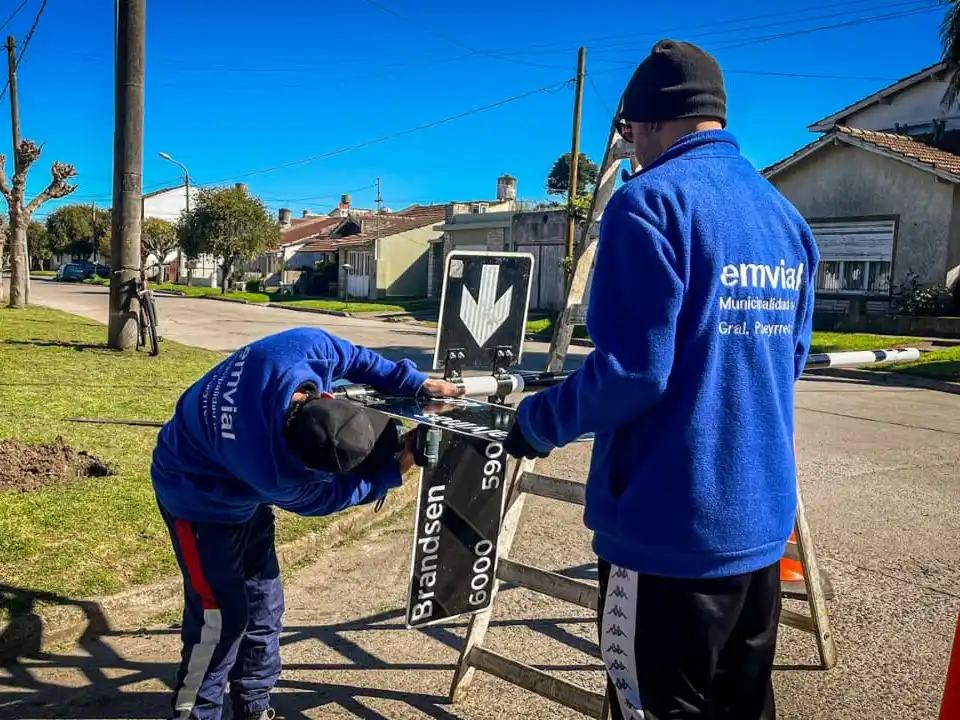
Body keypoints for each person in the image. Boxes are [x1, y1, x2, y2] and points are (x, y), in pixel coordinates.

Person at [503, 39, 819, 720]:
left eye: (629, 134)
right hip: (760, 527)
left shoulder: (649, 204)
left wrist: (532, 424)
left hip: (669, 533)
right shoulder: (784, 219)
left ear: (644, 123)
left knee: (651, 707)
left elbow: (631, 372)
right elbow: (788, 361)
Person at [150, 327, 461, 720]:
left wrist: (413, 382)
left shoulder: (302, 347)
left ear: (328, 394)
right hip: (194, 499)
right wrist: (398, 468)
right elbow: (331, 497)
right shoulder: (272, 471)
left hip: (239, 488)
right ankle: (193, 714)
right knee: (220, 619)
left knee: (264, 605)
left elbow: (359, 358)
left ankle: (253, 706)